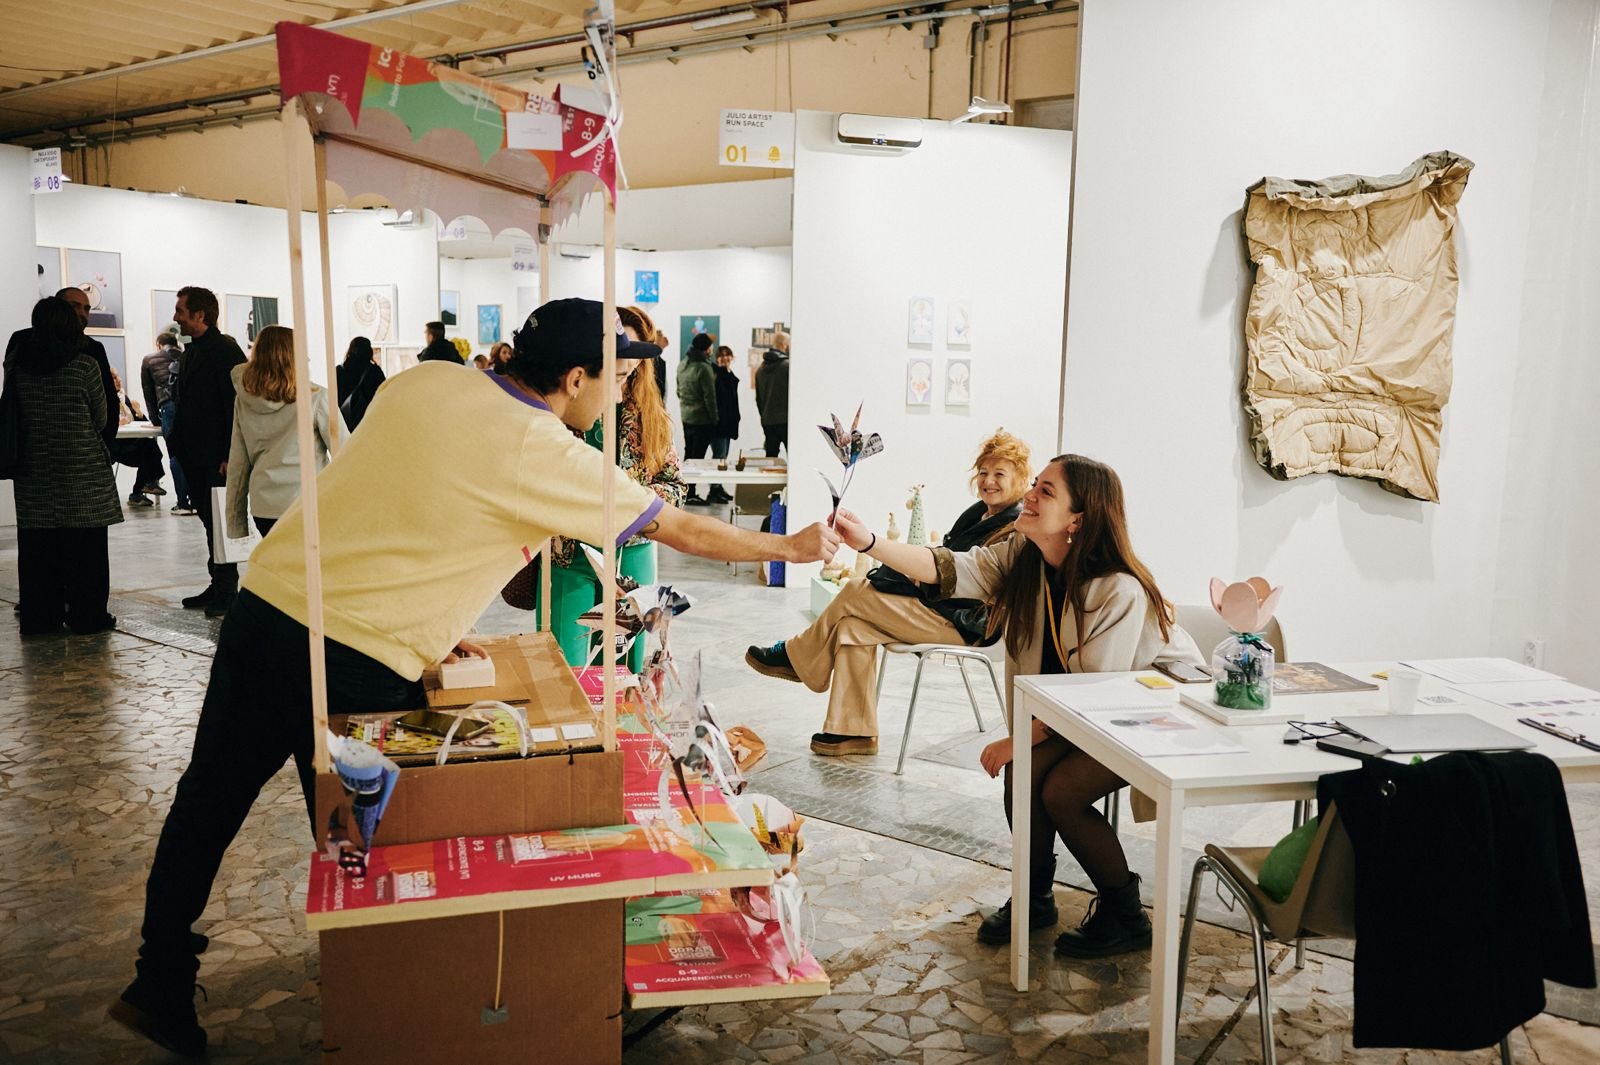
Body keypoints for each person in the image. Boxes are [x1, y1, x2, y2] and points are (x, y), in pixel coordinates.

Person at [110, 298, 839, 1058]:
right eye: (616, 378)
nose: (619, 393)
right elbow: (678, 526)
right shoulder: (541, 447)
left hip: (270, 602)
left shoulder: (429, 380)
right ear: (575, 377)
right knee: (372, 842)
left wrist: (432, 614)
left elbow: (400, 495)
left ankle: (158, 978)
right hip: (355, 654)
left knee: (209, 797)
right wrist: (789, 545)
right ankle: (400, 1013)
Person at [825, 454, 1203, 957]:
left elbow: (1093, 695)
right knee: (1025, 773)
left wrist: (1018, 739)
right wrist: (869, 542)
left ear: (1078, 519)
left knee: (1061, 791)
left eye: (1046, 491)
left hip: (1152, 712)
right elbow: (949, 567)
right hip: (1084, 712)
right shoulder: (1025, 558)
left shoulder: (1117, 589)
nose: (1030, 495)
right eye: (1035, 485)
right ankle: (1034, 897)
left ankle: (1126, 915)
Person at [746, 430, 1031, 754]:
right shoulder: (978, 514)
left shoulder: (1013, 527)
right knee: (852, 627)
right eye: (983, 472)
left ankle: (796, 656)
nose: (988, 481)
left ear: (1020, 479)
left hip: (968, 624)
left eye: (999, 474)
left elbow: (970, 582)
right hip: (943, 608)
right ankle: (853, 733)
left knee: (856, 590)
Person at [539, 305, 687, 671]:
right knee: (565, 661)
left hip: (633, 551)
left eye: (635, 352)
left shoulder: (651, 416)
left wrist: (633, 509)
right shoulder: (567, 403)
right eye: (621, 350)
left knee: (624, 663)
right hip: (570, 552)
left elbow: (675, 484)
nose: (628, 359)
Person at [7, 297, 121, 635]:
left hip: (34, 469)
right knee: (86, 551)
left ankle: (41, 618)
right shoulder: (84, 365)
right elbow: (101, 416)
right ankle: (88, 616)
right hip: (81, 470)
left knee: (38, 551)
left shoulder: (20, 367)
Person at [169, 286, 247, 619]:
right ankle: (218, 583)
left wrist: (230, 454)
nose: (175, 317)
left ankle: (227, 589)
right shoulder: (192, 351)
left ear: (200, 315)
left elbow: (237, 406)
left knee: (219, 522)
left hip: (216, 456)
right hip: (195, 454)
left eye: (180, 311)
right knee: (208, 520)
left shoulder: (224, 350)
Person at [226, 326, 331, 539]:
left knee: (278, 560)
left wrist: (236, 522)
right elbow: (346, 452)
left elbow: (238, 464)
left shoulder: (244, 401)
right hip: (308, 502)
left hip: (265, 507)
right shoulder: (316, 397)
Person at [142, 332, 194, 514]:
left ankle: (182, 503)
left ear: (158, 344)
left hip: (168, 407)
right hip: (189, 407)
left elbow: (148, 393)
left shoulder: (149, 360)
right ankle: (195, 500)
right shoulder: (187, 356)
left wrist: (155, 419)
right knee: (192, 453)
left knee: (175, 454)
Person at [107, 367, 168, 508]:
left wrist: (139, 413)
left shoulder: (123, 397)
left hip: (130, 441)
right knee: (148, 452)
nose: (119, 380)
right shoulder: (105, 399)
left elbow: (140, 422)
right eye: (114, 378)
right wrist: (116, 422)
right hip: (115, 446)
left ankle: (144, 487)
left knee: (150, 446)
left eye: (118, 377)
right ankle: (146, 485)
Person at [675, 332, 718, 504]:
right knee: (698, 457)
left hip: (686, 416)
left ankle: (685, 491)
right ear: (707, 349)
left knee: (689, 454)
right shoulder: (704, 368)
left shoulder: (682, 364)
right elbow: (709, 398)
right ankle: (691, 492)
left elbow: (679, 391)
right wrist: (714, 418)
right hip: (702, 419)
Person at [708, 345, 740, 505]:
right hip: (719, 423)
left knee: (723, 457)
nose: (725, 358)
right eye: (721, 355)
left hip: (728, 422)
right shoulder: (716, 374)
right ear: (716, 358)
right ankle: (714, 489)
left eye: (728, 355)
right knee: (719, 456)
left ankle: (718, 487)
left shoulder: (728, 373)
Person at [335, 336, 384, 431]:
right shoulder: (375, 371)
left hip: (345, 422)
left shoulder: (339, 371)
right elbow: (382, 397)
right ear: (369, 351)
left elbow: (334, 398)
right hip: (369, 423)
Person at [755, 330, 789, 457]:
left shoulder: (760, 369)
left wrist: (764, 416)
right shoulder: (788, 367)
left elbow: (759, 400)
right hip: (786, 421)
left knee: (770, 458)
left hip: (768, 421)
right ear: (784, 345)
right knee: (794, 458)